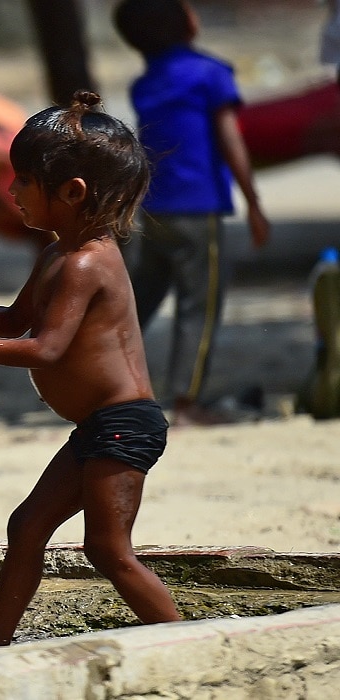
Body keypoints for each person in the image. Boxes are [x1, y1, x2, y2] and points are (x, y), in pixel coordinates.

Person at [0, 91, 181, 656]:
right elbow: (14, 319)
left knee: (108, 549)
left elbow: (45, 350)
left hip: (125, 427)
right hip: (98, 428)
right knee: (27, 526)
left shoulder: (87, 262)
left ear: (71, 193)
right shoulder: (56, 254)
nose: (12, 191)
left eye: (23, 180)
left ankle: (187, 642)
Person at [112, 0, 271, 426]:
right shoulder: (209, 73)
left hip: (152, 209)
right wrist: (254, 203)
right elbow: (230, 139)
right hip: (199, 209)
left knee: (137, 303)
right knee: (199, 306)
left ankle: (104, 386)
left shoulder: (145, 83)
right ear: (186, 23)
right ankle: (186, 403)